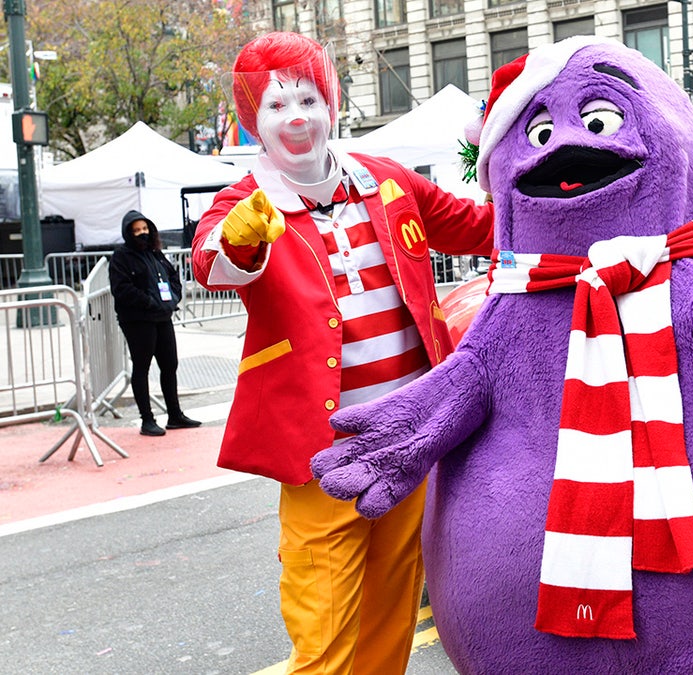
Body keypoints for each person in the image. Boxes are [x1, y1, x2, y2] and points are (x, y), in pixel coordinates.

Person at [192, 32, 493, 674]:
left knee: (392, 613)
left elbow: (477, 227)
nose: (295, 117)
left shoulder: (383, 180)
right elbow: (213, 260)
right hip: (323, 452)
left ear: (330, 102)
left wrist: (549, 188)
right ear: (254, 123)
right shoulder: (246, 202)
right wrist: (241, 239)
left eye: (306, 98)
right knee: (323, 632)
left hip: (407, 436)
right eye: (276, 107)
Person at [108, 210, 201, 436]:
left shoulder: (156, 253)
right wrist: (150, 302)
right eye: (137, 230)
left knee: (170, 364)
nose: (142, 234)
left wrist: (173, 299)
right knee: (142, 367)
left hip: (163, 316)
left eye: (145, 229)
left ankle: (175, 414)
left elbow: (172, 277)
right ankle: (146, 419)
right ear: (128, 233)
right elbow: (122, 289)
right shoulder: (121, 257)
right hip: (138, 320)